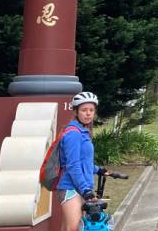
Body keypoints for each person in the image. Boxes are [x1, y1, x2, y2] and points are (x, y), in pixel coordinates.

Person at [58, 91, 111, 231]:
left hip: (80, 187)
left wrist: (98, 170)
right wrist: (85, 189)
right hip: (71, 187)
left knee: (69, 227)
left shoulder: (83, 131)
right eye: (84, 110)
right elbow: (73, 165)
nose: (88, 113)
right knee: (75, 227)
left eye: (91, 110)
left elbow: (83, 162)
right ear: (76, 112)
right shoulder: (73, 134)